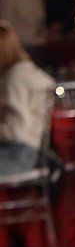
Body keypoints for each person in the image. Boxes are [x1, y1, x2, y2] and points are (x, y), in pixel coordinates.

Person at [0, 20, 54, 175]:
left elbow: (15, 131)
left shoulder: (14, 78)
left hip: (17, 154)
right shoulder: (26, 71)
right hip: (29, 152)